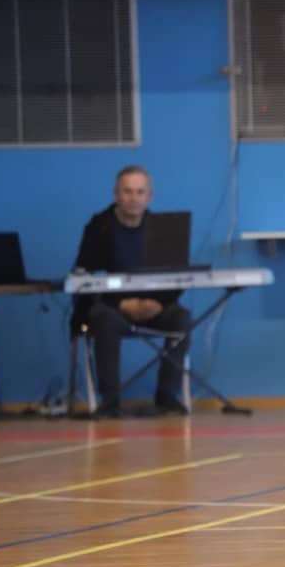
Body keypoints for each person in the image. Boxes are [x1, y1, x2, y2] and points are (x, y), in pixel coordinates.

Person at [71, 165, 191, 418]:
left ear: (149, 196)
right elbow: (85, 277)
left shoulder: (164, 228)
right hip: (113, 308)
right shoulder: (98, 227)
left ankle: (167, 398)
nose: (134, 198)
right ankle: (110, 403)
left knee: (182, 319)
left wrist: (158, 304)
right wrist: (121, 304)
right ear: (116, 195)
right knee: (103, 318)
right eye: (127, 191)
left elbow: (176, 276)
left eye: (140, 192)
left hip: (155, 307)